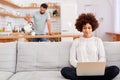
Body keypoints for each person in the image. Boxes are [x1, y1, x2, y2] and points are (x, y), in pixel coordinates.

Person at [61, 13, 119, 80]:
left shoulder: (98, 40)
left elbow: (102, 57)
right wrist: (80, 67)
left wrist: (96, 67)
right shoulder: (76, 41)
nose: (87, 30)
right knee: (64, 70)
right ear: (81, 29)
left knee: (115, 69)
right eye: (84, 28)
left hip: (96, 71)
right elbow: (72, 59)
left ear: (92, 28)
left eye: (89, 28)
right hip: (80, 71)